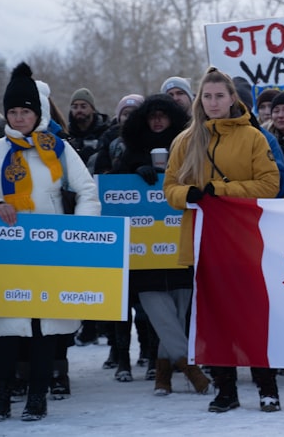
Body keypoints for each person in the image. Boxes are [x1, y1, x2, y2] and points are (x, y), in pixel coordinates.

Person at [0, 63, 101, 423]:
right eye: (13, 111)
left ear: (37, 113)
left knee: (44, 328)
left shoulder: (57, 149)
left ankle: (38, 396)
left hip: (50, 251)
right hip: (5, 252)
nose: (20, 117)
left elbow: (87, 190)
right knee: (6, 329)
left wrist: (80, 233)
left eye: (26, 111)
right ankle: (1, 397)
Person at [163, 68, 280, 413]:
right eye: (208, 96)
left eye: (220, 96)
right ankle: (225, 389)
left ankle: (267, 388)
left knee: (251, 317)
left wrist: (221, 191)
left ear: (232, 99)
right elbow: (169, 188)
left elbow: (270, 185)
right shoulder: (185, 140)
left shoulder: (253, 138)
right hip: (202, 242)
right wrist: (190, 193)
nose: (213, 102)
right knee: (213, 320)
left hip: (243, 242)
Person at [114, 94, 191, 390]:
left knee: (180, 308)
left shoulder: (188, 148)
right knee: (156, 309)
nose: (158, 120)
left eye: (164, 115)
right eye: (152, 116)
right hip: (145, 249)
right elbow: (114, 192)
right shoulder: (131, 150)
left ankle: (163, 371)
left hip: (180, 240)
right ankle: (184, 364)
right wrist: (133, 175)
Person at [93, 93, 143, 175]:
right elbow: (100, 169)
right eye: (125, 114)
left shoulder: (149, 137)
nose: (129, 118)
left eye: (134, 114)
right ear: (119, 117)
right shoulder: (109, 138)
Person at [66, 88, 109, 171]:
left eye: (83, 106)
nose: (79, 110)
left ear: (93, 109)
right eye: (75, 107)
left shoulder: (106, 132)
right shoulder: (66, 135)